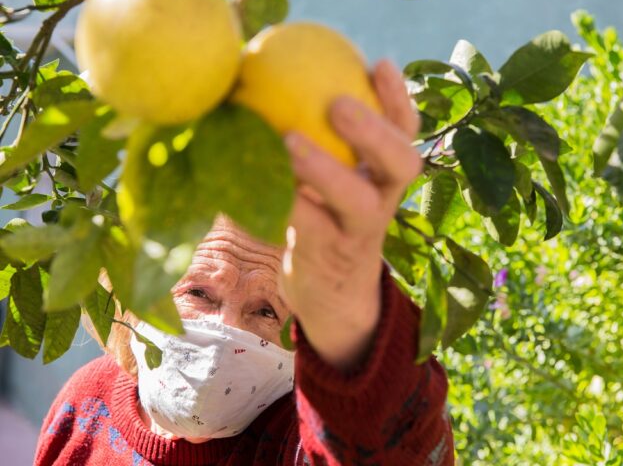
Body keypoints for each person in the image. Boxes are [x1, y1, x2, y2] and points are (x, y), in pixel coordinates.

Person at [33, 60, 454, 465]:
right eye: (198, 292)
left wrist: (357, 304)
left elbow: (390, 448)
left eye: (266, 310)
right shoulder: (86, 405)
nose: (226, 333)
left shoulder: (299, 440)